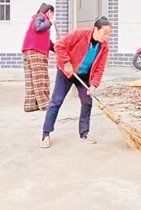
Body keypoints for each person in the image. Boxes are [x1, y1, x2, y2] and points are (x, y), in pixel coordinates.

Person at [40, 17, 112, 148]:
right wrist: (65, 61)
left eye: (109, 34)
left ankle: (84, 133)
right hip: (67, 72)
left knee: (87, 102)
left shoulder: (104, 47)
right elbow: (59, 45)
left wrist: (94, 84)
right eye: (104, 33)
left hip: (84, 76)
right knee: (56, 101)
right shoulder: (79, 34)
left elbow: (100, 67)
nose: (106, 36)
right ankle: (46, 134)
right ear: (96, 29)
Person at [22, 3, 56, 112]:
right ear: (49, 12)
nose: (52, 16)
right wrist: (50, 22)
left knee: (32, 79)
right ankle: (44, 104)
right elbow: (38, 28)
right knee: (40, 78)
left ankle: (31, 104)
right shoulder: (41, 17)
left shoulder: (39, 19)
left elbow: (46, 41)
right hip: (36, 51)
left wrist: (57, 48)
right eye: (52, 14)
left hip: (29, 50)